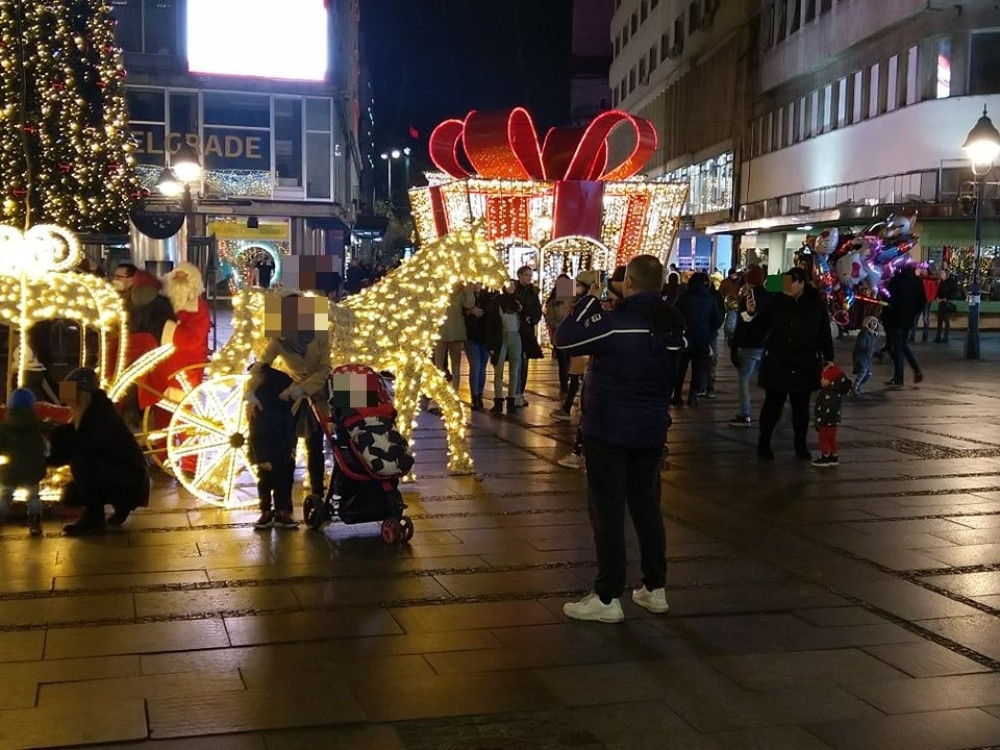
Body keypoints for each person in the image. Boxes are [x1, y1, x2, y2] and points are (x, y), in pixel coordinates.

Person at [556, 255, 685, 623]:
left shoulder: (614, 325)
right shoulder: (671, 325)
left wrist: (587, 301)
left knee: (607, 513)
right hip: (651, 431)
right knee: (647, 508)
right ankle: (654, 587)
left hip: (609, 431)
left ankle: (607, 595)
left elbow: (565, 341)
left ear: (628, 282)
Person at [251, 294, 332, 507]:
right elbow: (262, 364)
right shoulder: (279, 337)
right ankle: (283, 504)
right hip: (291, 397)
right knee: (287, 448)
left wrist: (303, 390)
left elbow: (325, 369)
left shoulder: (320, 332)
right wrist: (250, 389)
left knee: (316, 446)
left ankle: (318, 494)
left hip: (316, 395)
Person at [48, 368, 150, 535]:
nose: (66, 400)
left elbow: (89, 445)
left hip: (130, 476)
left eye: (69, 393)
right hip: (127, 472)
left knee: (81, 463)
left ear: (80, 393)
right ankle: (120, 506)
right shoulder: (95, 409)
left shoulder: (99, 413)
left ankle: (94, 516)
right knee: (81, 466)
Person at [750, 267, 834, 461]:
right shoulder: (777, 300)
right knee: (772, 405)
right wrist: (751, 312)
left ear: (802, 283)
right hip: (778, 361)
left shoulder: (815, 303)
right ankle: (764, 444)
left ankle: (800, 445)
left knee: (801, 407)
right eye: (784, 283)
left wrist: (829, 357)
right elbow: (760, 319)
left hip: (804, 361)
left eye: (791, 283)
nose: (787, 287)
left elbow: (824, 332)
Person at [556, 266, 627, 470]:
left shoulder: (605, 313)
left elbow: (565, 335)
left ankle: (580, 452)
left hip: (604, 380)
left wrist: (591, 301)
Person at [248, 365, 298, 529]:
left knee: (282, 481)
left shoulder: (282, 406)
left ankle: (279, 510)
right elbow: (256, 436)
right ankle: (270, 511)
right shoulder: (266, 409)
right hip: (270, 451)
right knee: (269, 481)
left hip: (282, 450)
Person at [549, 271, 597, 421]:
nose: (572, 287)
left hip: (581, 346)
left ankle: (569, 407)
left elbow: (568, 318)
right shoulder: (576, 299)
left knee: (577, 377)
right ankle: (567, 404)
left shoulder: (586, 304)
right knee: (573, 375)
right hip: (575, 345)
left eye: (576, 285)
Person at [0, 388, 47, 536]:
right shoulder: (36, 425)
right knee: (33, 497)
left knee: (5, 495)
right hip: (31, 467)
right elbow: (42, 446)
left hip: (10, 467)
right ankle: (35, 524)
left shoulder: (5, 425)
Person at [672, 272, 723, 407]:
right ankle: (693, 396)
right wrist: (709, 332)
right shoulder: (710, 299)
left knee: (681, 368)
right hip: (702, 338)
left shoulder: (683, 298)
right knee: (698, 368)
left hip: (685, 338)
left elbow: (674, 315)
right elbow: (717, 320)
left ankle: (677, 395)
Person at [729, 265, 770, 427]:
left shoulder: (748, 298)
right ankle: (777, 408)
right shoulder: (769, 295)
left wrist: (734, 347)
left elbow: (741, 324)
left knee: (744, 379)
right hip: (765, 344)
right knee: (766, 379)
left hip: (749, 344)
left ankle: (744, 414)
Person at [485, 280, 523, 415]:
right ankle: (498, 400)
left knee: (514, 371)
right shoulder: (496, 302)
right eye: (508, 285)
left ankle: (511, 400)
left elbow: (528, 317)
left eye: (513, 285)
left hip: (515, 337)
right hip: (500, 338)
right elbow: (490, 324)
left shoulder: (519, 302)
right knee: (498, 371)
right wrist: (490, 345)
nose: (511, 288)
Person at [428, 285, 469, 412]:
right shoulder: (437, 288)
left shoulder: (461, 291)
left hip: (456, 332)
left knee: (456, 366)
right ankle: (437, 397)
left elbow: (469, 304)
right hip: (440, 332)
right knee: (438, 367)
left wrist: (468, 288)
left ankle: (454, 395)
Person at [883, 265, 925, 388]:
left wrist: (886, 315)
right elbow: (922, 301)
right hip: (908, 319)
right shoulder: (917, 282)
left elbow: (889, 300)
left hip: (895, 319)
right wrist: (914, 313)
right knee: (903, 345)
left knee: (898, 348)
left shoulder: (896, 280)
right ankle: (915, 371)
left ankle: (899, 377)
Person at [812, 363, 852, 467]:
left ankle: (825, 456)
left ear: (831, 381)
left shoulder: (828, 394)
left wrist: (820, 421)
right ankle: (834, 456)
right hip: (834, 420)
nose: (821, 380)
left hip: (827, 420)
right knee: (831, 437)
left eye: (824, 378)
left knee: (823, 437)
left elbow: (825, 409)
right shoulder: (835, 392)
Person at [513, 265, 543, 407]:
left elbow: (537, 310)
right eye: (526, 275)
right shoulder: (514, 290)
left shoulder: (533, 292)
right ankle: (514, 393)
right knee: (516, 362)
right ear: (520, 275)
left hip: (527, 332)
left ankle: (519, 393)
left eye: (530, 275)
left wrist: (533, 318)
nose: (529, 278)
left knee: (524, 363)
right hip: (515, 330)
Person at [463, 283, 492, 411]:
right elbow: (459, 311)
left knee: (482, 367)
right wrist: (470, 311)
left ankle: (479, 394)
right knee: (476, 365)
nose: (478, 285)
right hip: (471, 336)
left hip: (485, 337)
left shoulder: (488, 295)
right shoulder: (466, 295)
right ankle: (475, 396)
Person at [543, 274, 573, 397]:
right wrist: (557, 326)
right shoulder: (553, 301)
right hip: (559, 335)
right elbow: (549, 318)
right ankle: (564, 388)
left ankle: (570, 387)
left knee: (571, 363)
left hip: (572, 335)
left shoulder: (573, 299)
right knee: (563, 363)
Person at [852, 315, 881, 395]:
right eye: (872, 322)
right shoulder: (864, 334)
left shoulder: (873, 335)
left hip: (868, 358)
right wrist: (868, 348)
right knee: (863, 371)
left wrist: (877, 351)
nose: (874, 324)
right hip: (861, 357)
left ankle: (860, 386)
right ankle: (855, 387)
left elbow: (874, 345)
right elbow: (860, 345)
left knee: (868, 373)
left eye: (876, 323)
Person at [934, 268, 958, 343]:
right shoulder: (941, 282)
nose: (941, 275)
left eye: (942, 273)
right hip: (941, 303)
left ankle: (945, 336)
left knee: (946, 320)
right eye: (940, 273)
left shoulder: (950, 282)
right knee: (940, 320)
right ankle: (938, 337)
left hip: (947, 303)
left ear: (946, 274)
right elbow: (938, 291)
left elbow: (954, 292)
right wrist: (937, 297)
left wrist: (946, 298)